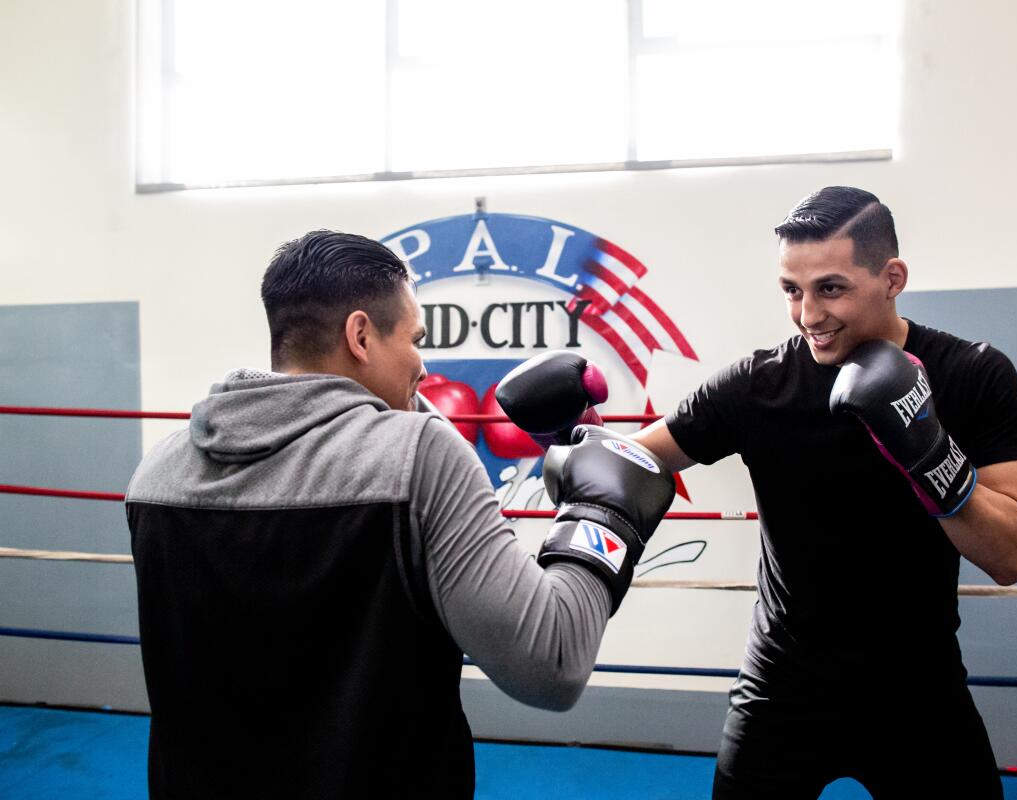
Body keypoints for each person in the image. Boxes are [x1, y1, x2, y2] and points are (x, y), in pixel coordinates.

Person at [497, 187, 1017, 798]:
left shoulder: (971, 374)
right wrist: (572, 436)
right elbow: (633, 464)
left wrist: (928, 453)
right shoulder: (757, 385)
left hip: (917, 684)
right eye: (791, 290)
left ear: (892, 278)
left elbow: (1014, 556)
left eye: (830, 288)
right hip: (784, 684)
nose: (808, 314)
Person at [125, 230, 675, 799]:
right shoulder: (423, 461)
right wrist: (601, 511)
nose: (422, 361)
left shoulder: (157, 473)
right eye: (414, 339)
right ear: (360, 335)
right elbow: (551, 662)